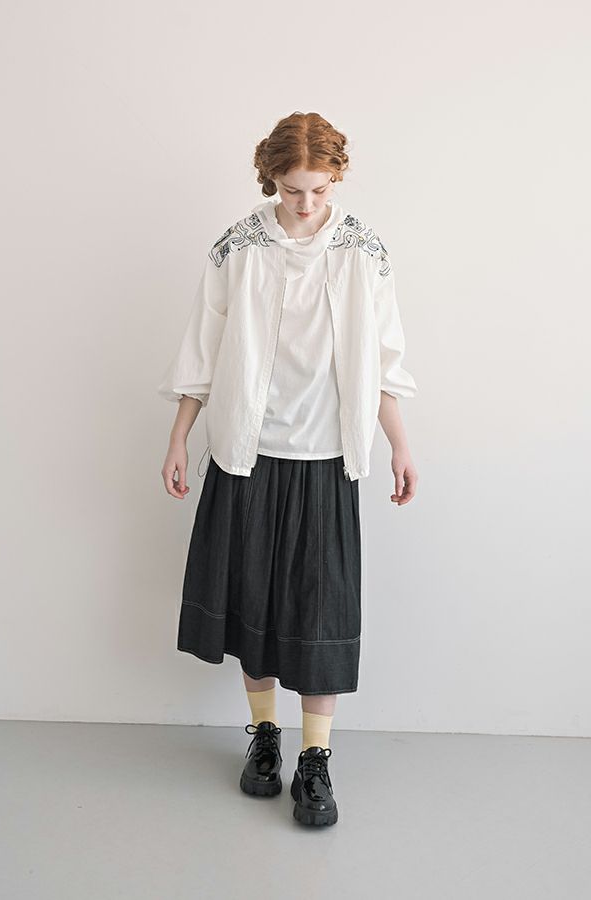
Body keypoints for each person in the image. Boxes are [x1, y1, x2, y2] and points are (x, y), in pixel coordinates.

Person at [158, 111, 419, 827]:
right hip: (248, 453)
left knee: (320, 609)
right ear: (269, 178)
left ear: (337, 179)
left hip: (327, 457)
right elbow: (201, 348)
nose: (305, 204)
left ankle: (315, 759)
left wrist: (399, 444)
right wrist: (179, 437)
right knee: (255, 602)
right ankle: (266, 736)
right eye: (291, 189)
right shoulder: (238, 248)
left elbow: (386, 358)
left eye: (319, 189)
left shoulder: (363, 251)